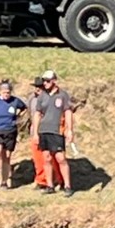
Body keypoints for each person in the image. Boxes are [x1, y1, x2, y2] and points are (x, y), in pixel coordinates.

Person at [32, 69, 75, 197]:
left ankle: (67, 186)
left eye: (47, 81)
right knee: (46, 158)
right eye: (44, 81)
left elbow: (68, 112)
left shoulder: (63, 95)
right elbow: (37, 114)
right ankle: (50, 185)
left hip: (56, 131)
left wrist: (69, 129)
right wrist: (35, 132)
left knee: (60, 158)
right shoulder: (42, 96)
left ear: (54, 81)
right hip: (43, 131)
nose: (45, 83)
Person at [0, 79, 26, 190]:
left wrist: (18, 117)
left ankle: (4, 182)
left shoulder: (15, 101)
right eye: (4, 92)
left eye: (8, 92)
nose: (6, 95)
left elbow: (24, 108)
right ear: (0, 92)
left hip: (10, 131)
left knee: (6, 157)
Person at [28, 76, 64, 192]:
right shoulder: (32, 99)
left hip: (50, 131)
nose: (37, 89)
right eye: (36, 87)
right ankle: (41, 180)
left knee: (55, 157)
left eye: (40, 87)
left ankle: (60, 180)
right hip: (36, 132)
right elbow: (31, 114)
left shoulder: (52, 98)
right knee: (38, 158)